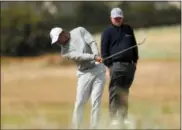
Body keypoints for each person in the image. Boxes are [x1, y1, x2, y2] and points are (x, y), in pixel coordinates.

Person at [49, 26, 106, 129]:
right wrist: (93, 57)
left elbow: (91, 41)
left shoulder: (79, 30)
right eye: (56, 41)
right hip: (84, 74)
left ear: (63, 33)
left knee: (95, 101)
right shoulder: (64, 52)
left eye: (58, 39)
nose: (58, 42)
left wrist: (96, 54)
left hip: (98, 70)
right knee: (80, 102)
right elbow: (79, 56)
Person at [101, 7, 139, 128]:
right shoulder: (107, 32)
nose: (118, 20)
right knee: (115, 92)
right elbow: (104, 51)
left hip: (129, 66)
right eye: (115, 18)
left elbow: (134, 46)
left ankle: (123, 116)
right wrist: (109, 65)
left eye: (119, 18)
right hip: (116, 65)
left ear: (122, 18)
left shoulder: (128, 29)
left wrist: (135, 61)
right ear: (111, 18)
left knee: (124, 92)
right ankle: (113, 118)